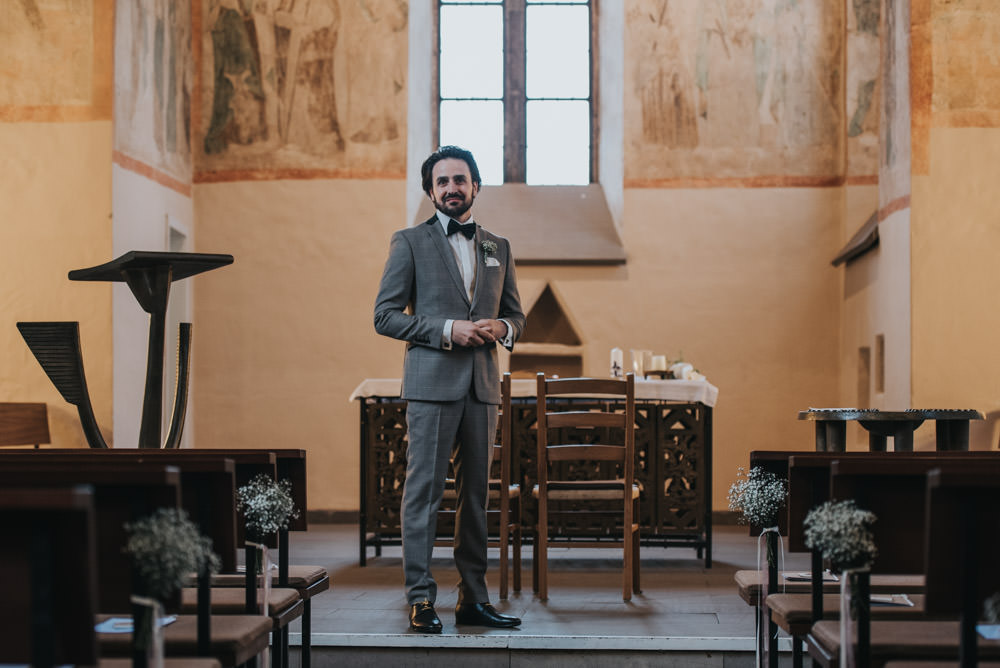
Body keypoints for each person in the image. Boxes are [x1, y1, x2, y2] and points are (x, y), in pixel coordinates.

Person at [374, 146, 526, 633]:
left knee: (476, 498)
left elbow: (516, 316)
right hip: (431, 385)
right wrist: (447, 330)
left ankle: (473, 599)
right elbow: (385, 316)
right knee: (422, 494)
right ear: (431, 191)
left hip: (482, 387)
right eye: (442, 182)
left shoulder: (497, 246)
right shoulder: (409, 242)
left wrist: (501, 329)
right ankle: (420, 599)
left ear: (475, 186)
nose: (451, 188)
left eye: (460, 180)